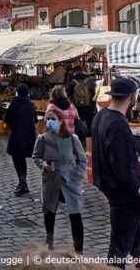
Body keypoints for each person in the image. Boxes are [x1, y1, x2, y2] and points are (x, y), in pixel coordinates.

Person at [91, 78, 140, 270]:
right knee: (119, 248)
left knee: (136, 235)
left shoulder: (101, 116)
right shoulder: (117, 124)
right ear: (132, 98)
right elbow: (123, 168)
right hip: (123, 194)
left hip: (112, 188)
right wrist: (137, 189)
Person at [32, 108, 87, 253]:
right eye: (47, 119)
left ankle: (79, 249)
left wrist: (76, 176)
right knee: (49, 212)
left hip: (69, 180)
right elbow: (36, 157)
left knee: (75, 214)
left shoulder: (71, 138)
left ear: (61, 121)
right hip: (51, 180)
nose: (49, 121)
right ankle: (49, 242)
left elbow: (82, 160)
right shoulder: (43, 138)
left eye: (52, 119)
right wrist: (43, 165)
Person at [4, 84, 37, 196]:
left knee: (17, 158)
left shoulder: (14, 103)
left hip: (17, 133)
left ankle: (22, 183)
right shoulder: (31, 104)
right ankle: (22, 183)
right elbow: (35, 119)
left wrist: (13, 125)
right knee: (21, 158)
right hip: (28, 134)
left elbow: (7, 118)